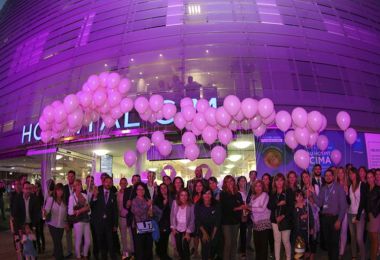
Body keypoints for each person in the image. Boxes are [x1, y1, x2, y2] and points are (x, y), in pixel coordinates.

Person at [309, 169, 347, 260]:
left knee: (334, 243)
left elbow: (343, 206)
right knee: (328, 243)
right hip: (325, 219)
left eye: (330, 175)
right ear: (324, 177)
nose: (328, 177)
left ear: (333, 177)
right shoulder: (323, 188)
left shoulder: (339, 188)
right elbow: (319, 203)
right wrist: (313, 193)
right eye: (326, 175)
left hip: (335, 218)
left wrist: (339, 220)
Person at [220, 175, 247, 260]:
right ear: (225, 183)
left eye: (231, 181)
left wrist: (243, 209)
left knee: (234, 242)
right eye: (227, 181)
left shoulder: (238, 194)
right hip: (226, 222)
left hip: (236, 221)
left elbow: (241, 205)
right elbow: (227, 207)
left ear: (234, 182)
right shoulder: (223, 193)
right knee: (228, 243)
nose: (230, 183)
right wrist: (238, 207)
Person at [91, 176, 118, 260]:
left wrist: (115, 225)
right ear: (103, 182)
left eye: (110, 182)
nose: (108, 183)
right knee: (101, 244)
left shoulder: (113, 195)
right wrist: (94, 197)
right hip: (99, 224)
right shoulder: (97, 191)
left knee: (110, 243)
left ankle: (113, 257)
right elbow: (91, 206)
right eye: (107, 182)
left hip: (109, 224)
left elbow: (115, 211)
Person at [267, 173, 293, 260]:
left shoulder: (288, 191)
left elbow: (291, 207)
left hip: (286, 220)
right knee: (277, 241)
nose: (279, 182)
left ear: (284, 181)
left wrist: (283, 216)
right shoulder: (273, 192)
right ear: (274, 182)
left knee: (285, 241)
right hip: (275, 220)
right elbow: (269, 206)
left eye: (281, 180)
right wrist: (278, 204)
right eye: (277, 180)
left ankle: (288, 258)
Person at [195, 188, 221, 260]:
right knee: (205, 245)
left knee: (214, 245)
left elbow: (218, 220)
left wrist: (213, 233)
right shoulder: (198, 204)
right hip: (202, 228)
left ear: (212, 195)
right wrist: (204, 233)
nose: (207, 195)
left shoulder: (217, 204)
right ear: (202, 195)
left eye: (209, 193)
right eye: (205, 193)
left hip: (215, 228)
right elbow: (197, 220)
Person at [68, 179, 91, 260]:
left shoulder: (84, 195)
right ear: (74, 187)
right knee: (78, 240)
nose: (79, 186)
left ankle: (85, 256)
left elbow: (89, 209)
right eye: (77, 185)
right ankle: (78, 257)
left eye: (80, 184)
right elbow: (70, 212)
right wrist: (83, 209)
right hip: (77, 221)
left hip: (86, 220)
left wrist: (79, 210)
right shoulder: (72, 197)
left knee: (88, 241)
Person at [249, 180, 272, 260]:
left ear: (262, 187)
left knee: (263, 248)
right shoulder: (253, 196)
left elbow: (262, 209)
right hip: (255, 225)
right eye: (256, 186)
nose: (258, 188)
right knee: (257, 247)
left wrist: (249, 208)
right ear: (254, 187)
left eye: (260, 186)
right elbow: (251, 211)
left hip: (264, 224)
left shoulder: (265, 195)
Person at [44, 183, 67, 260]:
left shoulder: (64, 201)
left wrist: (66, 223)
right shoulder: (51, 199)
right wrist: (44, 212)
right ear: (55, 191)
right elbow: (46, 211)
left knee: (57, 242)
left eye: (61, 190)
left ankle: (55, 254)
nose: (60, 192)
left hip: (61, 226)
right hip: (52, 225)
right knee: (58, 242)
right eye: (58, 190)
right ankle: (60, 257)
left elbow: (66, 214)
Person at [347, 167, 366, 260]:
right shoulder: (350, 186)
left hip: (360, 214)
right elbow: (349, 202)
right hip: (350, 214)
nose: (351, 175)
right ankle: (354, 256)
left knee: (359, 238)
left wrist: (358, 216)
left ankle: (363, 257)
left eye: (353, 173)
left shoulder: (362, 184)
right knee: (353, 237)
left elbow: (363, 201)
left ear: (356, 174)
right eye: (350, 174)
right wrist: (346, 193)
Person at [170, 189, 195, 260]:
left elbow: (192, 220)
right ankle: (182, 257)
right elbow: (172, 216)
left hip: (187, 228)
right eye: (182, 195)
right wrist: (173, 228)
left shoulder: (191, 206)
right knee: (178, 246)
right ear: (179, 196)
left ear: (188, 196)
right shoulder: (175, 203)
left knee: (185, 246)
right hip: (177, 227)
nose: (184, 197)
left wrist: (188, 232)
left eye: (186, 195)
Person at [360, 170, 380, 260]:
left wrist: (374, 212)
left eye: (371, 177)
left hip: (375, 215)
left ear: (374, 177)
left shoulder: (378, 188)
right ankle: (373, 256)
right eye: (367, 177)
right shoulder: (367, 188)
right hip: (368, 216)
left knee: (374, 238)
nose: (369, 179)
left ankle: (373, 258)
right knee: (371, 238)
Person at [131, 182, 154, 260]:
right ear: (136, 191)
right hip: (138, 227)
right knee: (140, 248)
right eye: (139, 189)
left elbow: (150, 213)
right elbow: (138, 212)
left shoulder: (146, 199)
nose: (141, 191)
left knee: (148, 246)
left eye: (142, 189)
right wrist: (147, 205)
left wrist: (151, 212)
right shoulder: (134, 200)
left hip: (148, 225)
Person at [293, 190, 315, 259]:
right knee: (299, 251)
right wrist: (301, 217)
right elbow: (293, 220)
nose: (299, 197)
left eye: (301, 196)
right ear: (295, 198)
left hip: (307, 231)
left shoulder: (307, 206)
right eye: (297, 196)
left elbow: (311, 217)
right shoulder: (294, 207)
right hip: (298, 232)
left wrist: (312, 227)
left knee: (308, 249)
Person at [153, 183, 173, 260]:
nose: (163, 189)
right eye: (161, 188)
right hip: (160, 222)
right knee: (160, 239)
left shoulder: (170, 198)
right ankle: (162, 255)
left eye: (165, 187)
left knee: (165, 239)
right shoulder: (157, 198)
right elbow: (155, 211)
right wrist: (163, 205)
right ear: (159, 190)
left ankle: (163, 254)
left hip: (168, 222)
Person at [118, 178, 133, 259]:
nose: (123, 184)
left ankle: (132, 252)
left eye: (125, 183)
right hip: (121, 218)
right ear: (120, 184)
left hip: (129, 217)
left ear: (127, 183)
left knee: (131, 235)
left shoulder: (130, 193)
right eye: (122, 183)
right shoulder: (117, 193)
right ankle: (125, 252)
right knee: (123, 236)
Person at [336, 167, 349, 258]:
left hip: (344, 211)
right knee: (337, 230)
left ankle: (342, 251)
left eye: (342, 172)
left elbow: (349, 200)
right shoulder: (334, 184)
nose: (340, 174)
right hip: (335, 211)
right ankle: (338, 248)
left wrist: (346, 192)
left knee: (343, 231)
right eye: (339, 173)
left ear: (344, 174)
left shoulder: (348, 184)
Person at [63, 170, 76, 258]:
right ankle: (69, 250)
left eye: (72, 176)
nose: (70, 177)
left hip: (77, 214)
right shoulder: (64, 188)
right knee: (68, 234)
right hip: (67, 215)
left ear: (74, 177)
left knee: (79, 233)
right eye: (69, 176)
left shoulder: (78, 187)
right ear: (67, 177)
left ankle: (80, 250)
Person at [237, 176, 249, 258]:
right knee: (240, 233)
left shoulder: (248, 192)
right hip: (240, 215)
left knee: (245, 233)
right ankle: (241, 250)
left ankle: (243, 249)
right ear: (238, 183)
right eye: (241, 181)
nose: (243, 182)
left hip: (247, 214)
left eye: (244, 181)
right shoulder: (237, 193)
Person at [33, 182, 45, 253]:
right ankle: (39, 247)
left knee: (41, 232)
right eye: (35, 187)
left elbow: (43, 206)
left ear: (39, 188)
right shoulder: (33, 195)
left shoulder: (42, 196)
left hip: (40, 216)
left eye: (37, 187)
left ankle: (43, 245)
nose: (36, 188)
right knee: (37, 232)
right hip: (35, 217)